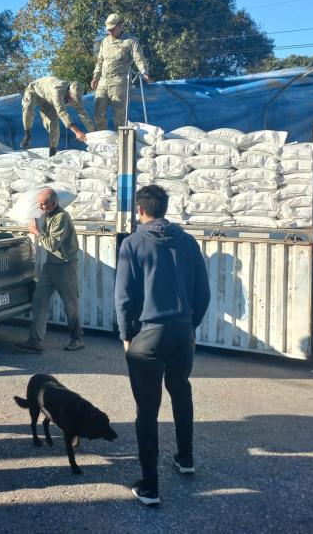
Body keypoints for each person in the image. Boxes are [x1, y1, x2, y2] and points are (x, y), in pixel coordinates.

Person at [114, 185, 210, 507]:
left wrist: (127, 335)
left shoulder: (132, 244)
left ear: (140, 211)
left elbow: (125, 298)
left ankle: (150, 486)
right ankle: (185, 459)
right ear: (164, 209)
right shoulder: (188, 242)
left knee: (147, 410)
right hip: (182, 332)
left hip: (148, 335)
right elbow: (204, 293)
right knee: (181, 391)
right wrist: (189, 326)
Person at [15, 188, 84, 353]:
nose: (40, 207)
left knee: (70, 305)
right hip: (51, 265)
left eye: (43, 204)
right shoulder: (47, 214)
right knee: (39, 300)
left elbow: (53, 245)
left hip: (65, 266)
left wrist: (36, 233)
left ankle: (77, 339)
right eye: (39, 203)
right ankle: (35, 340)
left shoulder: (61, 217)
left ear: (53, 203)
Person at [91, 13, 151, 130]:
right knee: (98, 113)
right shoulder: (105, 41)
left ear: (120, 26)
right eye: (108, 30)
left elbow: (138, 58)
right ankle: (105, 139)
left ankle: (121, 142)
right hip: (103, 81)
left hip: (120, 82)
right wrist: (95, 77)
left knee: (119, 116)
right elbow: (100, 61)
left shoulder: (130, 41)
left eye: (112, 29)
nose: (110, 32)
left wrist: (144, 72)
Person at [20, 76, 95, 157]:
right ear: (69, 91)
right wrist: (77, 132)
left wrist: (94, 132)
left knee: (54, 124)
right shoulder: (58, 90)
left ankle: (52, 152)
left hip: (49, 100)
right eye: (72, 98)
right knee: (28, 107)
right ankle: (27, 134)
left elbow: (83, 114)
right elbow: (62, 112)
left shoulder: (76, 98)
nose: (73, 101)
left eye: (76, 99)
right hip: (35, 91)